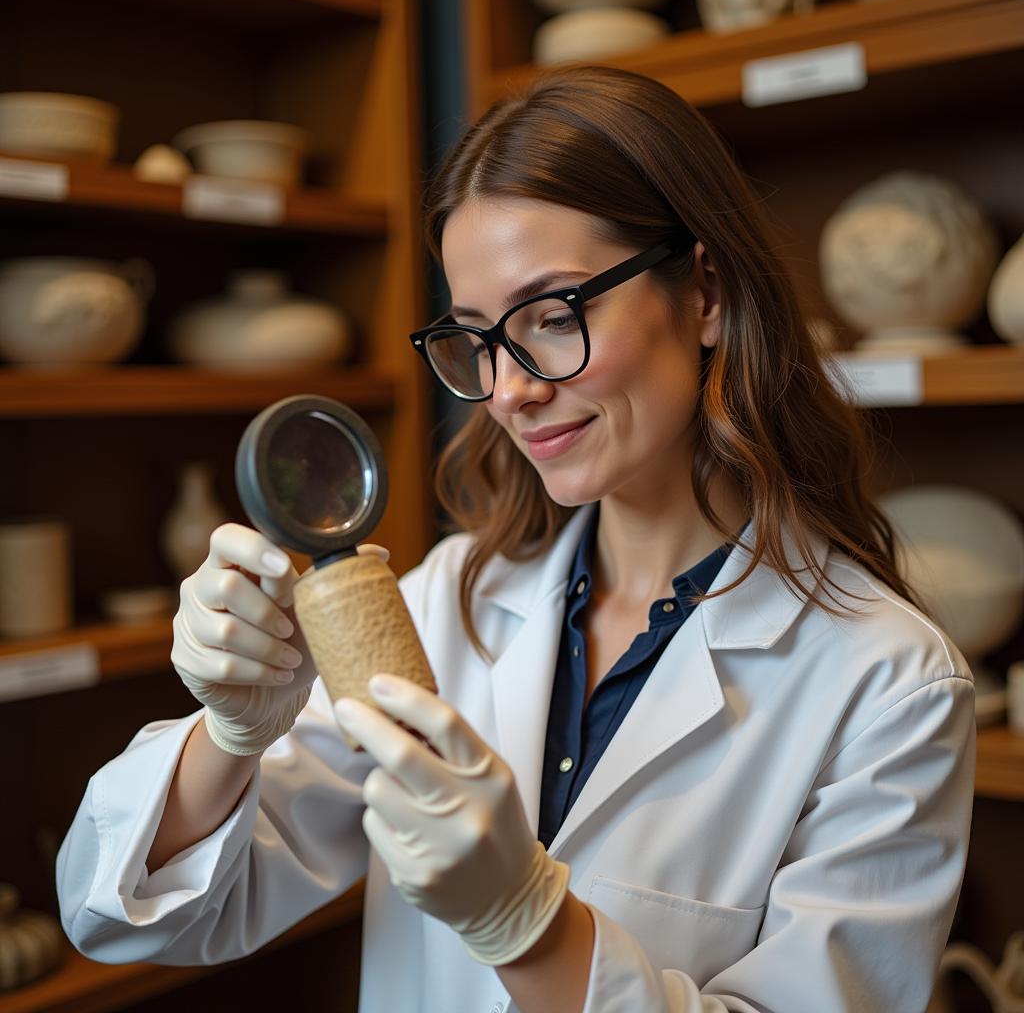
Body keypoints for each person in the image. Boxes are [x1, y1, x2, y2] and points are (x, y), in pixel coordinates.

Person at [57, 65, 975, 1012]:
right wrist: (232, 735)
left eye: (555, 314)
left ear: (703, 291)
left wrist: (526, 926)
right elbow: (126, 916)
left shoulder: (890, 683)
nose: (509, 390)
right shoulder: (449, 602)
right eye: (478, 339)